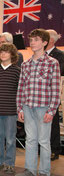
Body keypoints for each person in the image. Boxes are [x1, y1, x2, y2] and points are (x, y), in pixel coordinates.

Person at [16, 29, 60, 176]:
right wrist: (20, 107)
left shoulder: (52, 63)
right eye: (31, 40)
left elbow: (55, 89)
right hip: (27, 107)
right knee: (30, 140)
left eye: (36, 40)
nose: (32, 42)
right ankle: (30, 170)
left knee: (44, 141)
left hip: (44, 108)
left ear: (45, 42)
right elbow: (21, 87)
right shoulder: (26, 64)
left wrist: (51, 110)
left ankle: (44, 172)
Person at [0, 43, 20, 174]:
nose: (3, 54)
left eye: (6, 52)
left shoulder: (17, 71)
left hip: (11, 110)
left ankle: (9, 163)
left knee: (11, 139)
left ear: (12, 55)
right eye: (1, 52)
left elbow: (20, 91)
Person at [46, 29, 64, 161]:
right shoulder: (38, 55)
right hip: (38, 94)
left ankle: (54, 149)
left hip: (52, 94)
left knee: (53, 123)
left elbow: (58, 73)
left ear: (50, 40)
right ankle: (43, 147)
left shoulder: (59, 55)